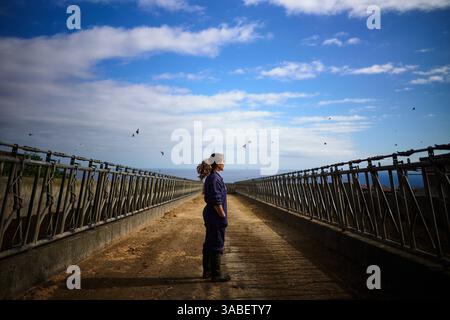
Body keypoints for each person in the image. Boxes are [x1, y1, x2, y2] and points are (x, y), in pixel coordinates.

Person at [196, 153, 231, 282]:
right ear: (217, 163)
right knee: (216, 243)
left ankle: (207, 272)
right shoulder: (215, 179)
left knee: (209, 242)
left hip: (211, 214)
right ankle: (216, 275)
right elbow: (216, 200)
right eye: (223, 161)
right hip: (215, 215)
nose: (224, 163)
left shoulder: (212, 177)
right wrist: (223, 216)